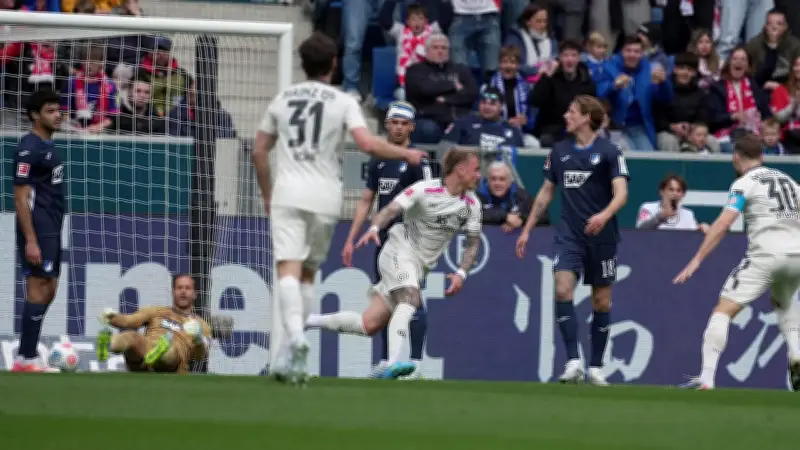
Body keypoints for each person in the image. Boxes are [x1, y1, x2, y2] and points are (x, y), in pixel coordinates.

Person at [252, 32, 427, 386]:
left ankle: (296, 337)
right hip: (325, 196)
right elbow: (366, 144)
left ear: (301, 63)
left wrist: (267, 193)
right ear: (334, 64)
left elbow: (258, 151)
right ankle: (392, 362)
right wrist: (405, 153)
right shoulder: (343, 100)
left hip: (288, 192)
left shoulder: (282, 99)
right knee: (310, 273)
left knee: (288, 268)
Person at [307, 148, 483, 379]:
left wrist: (461, 272)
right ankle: (390, 365)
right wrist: (374, 227)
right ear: (460, 170)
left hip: (419, 267)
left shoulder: (472, 204)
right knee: (410, 299)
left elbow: (472, 243)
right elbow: (390, 210)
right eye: (476, 169)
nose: (479, 175)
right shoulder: (424, 189)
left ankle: (308, 321)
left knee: (368, 325)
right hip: (398, 251)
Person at [515, 95, 630, 385]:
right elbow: (546, 193)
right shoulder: (559, 151)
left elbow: (622, 193)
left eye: (572, 111)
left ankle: (596, 366)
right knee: (563, 289)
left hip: (602, 237)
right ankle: (573, 361)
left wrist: (604, 215)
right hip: (569, 235)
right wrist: (527, 229)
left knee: (601, 302)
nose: (566, 115)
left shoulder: (610, 152)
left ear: (586, 118)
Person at [674, 132, 800, 390]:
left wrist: (697, 259)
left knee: (723, 310)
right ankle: (796, 353)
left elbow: (724, 223)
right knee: (784, 302)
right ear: (762, 156)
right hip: (797, 256)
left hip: (767, 255)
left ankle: (706, 378)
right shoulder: (788, 181)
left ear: (736, 158)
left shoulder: (744, 183)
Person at [336, 101, 438, 380]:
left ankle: (416, 363)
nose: (398, 128)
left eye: (404, 124)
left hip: (410, 243)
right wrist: (350, 239)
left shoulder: (418, 161)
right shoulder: (378, 161)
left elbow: (430, 199)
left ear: (412, 127)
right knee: (387, 301)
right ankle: (386, 362)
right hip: (383, 243)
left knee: (412, 300)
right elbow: (366, 201)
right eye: (394, 123)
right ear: (387, 125)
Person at [12, 89, 65, 373]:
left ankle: (28, 352)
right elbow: (20, 198)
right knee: (37, 288)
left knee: (50, 289)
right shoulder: (28, 148)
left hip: (52, 226)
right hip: (38, 227)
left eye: (58, 110)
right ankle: (26, 357)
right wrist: (31, 240)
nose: (58, 115)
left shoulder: (49, 145)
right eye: (50, 111)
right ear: (35, 115)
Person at [95, 274, 212, 374]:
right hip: (146, 353)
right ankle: (108, 344)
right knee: (130, 336)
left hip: (173, 365)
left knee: (170, 351)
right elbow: (128, 321)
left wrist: (198, 338)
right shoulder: (157, 311)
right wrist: (112, 317)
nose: (183, 291)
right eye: (179, 288)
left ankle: (161, 351)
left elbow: (200, 356)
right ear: (173, 292)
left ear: (195, 294)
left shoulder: (201, 324)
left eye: (187, 288)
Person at [636, 174, 708, 232]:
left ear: (683, 195)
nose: (675, 193)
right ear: (662, 192)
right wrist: (661, 216)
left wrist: (701, 229)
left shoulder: (688, 214)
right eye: (671, 189)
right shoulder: (648, 208)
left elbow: (693, 237)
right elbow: (639, 231)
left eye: (679, 190)